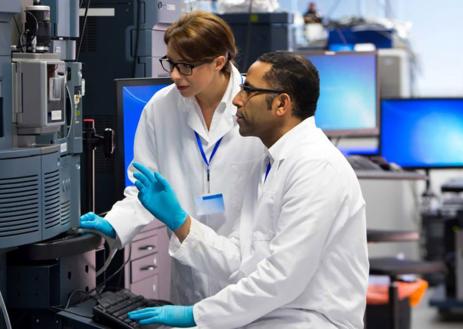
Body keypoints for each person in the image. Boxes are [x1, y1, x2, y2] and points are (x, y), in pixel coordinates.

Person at [127, 52, 369, 328]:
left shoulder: (316, 167)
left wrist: (196, 314)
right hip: (273, 315)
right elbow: (242, 260)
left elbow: (282, 278)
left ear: (281, 104)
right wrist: (181, 223)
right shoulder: (270, 164)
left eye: (249, 90)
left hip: (309, 320)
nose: (236, 100)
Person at [79, 11, 267, 304]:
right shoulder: (160, 108)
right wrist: (114, 224)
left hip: (245, 277)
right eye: (171, 63)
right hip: (188, 276)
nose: (174, 75)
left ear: (219, 61)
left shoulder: (255, 108)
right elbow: (144, 189)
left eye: (186, 66)